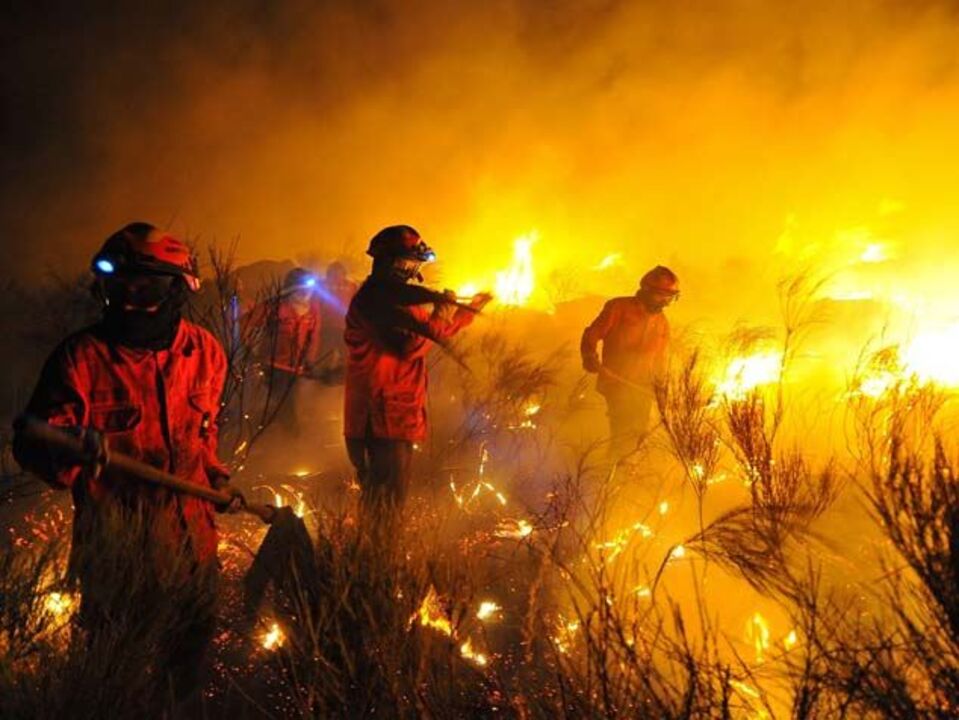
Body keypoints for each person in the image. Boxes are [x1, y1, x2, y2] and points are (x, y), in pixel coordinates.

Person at [13, 222, 242, 704]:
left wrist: (218, 477)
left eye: (149, 286)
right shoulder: (81, 359)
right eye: (121, 286)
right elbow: (32, 448)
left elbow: (202, 438)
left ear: (179, 290)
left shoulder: (205, 353)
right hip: (118, 562)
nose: (133, 299)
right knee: (117, 690)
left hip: (194, 553)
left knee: (187, 685)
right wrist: (67, 446)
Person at [344, 225, 490, 520]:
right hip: (380, 419)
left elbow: (434, 332)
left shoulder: (391, 300)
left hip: (393, 418)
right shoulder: (375, 302)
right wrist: (442, 312)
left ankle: (372, 557)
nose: (416, 269)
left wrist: (465, 312)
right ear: (396, 263)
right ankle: (375, 561)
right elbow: (411, 346)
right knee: (384, 507)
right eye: (412, 262)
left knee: (386, 504)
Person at [580, 265, 679, 460]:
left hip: (642, 388)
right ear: (647, 290)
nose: (665, 302)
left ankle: (623, 473)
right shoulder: (619, 307)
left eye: (670, 297)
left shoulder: (662, 323)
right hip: (616, 382)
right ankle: (609, 472)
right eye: (662, 295)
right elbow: (592, 334)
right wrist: (589, 356)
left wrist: (661, 388)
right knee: (623, 433)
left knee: (637, 436)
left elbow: (660, 360)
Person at [243, 267, 324, 433]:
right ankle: (291, 442)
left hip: (297, 369)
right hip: (274, 366)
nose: (306, 291)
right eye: (302, 287)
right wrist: (248, 350)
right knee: (287, 409)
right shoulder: (276, 307)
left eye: (309, 287)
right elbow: (245, 323)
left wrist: (310, 360)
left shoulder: (313, 309)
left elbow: (313, 337)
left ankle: (262, 433)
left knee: (286, 406)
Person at [318, 261, 357, 367]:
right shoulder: (322, 285)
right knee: (326, 353)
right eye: (333, 274)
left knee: (344, 354)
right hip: (328, 326)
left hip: (342, 326)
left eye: (338, 273)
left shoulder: (351, 286)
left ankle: (338, 375)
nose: (336, 276)